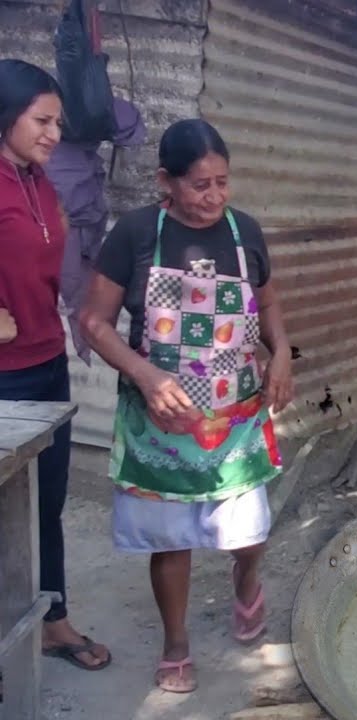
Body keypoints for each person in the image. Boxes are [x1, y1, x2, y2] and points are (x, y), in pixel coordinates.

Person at [79, 119, 293, 693]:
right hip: (162, 417)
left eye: (223, 182)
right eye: (200, 185)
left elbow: (268, 307)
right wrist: (145, 374)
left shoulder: (244, 231)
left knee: (248, 529)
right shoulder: (135, 234)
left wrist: (283, 355)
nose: (214, 197)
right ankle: (176, 644)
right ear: (165, 182)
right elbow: (93, 321)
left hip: (236, 413)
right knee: (171, 538)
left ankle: (247, 584)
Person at [0, 58, 113, 676]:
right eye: (41, 120)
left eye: (57, 122)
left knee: (47, 503)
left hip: (47, 365)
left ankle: (51, 621)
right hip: (3, 378)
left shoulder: (38, 181)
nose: (52, 133)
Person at [46, 94, 146, 363]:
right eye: (42, 122)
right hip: (68, 218)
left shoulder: (84, 94)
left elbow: (129, 128)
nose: (48, 132)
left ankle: (92, 345)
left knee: (84, 296)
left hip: (82, 217)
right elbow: (131, 129)